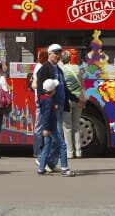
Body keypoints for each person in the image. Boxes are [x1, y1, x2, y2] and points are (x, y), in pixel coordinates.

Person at [36, 43, 75, 176]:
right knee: (58, 138)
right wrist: (47, 105)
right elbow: (41, 92)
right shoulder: (44, 69)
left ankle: (48, 163)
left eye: (59, 53)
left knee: (54, 138)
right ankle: (46, 161)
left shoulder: (58, 69)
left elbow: (64, 88)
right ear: (50, 53)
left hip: (59, 105)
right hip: (52, 107)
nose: (58, 56)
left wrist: (77, 99)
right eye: (56, 53)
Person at [60, 50, 87, 159]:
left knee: (67, 127)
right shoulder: (77, 68)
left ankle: (70, 153)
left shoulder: (61, 69)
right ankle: (79, 151)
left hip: (67, 99)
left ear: (61, 59)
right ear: (70, 58)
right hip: (79, 98)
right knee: (76, 125)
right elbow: (82, 84)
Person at [35, 78, 62, 175]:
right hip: (49, 127)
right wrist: (46, 128)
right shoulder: (49, 101)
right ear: (53, 90)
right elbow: (46, 115)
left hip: (48, 127)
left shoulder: (44, 98)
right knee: (60, 145)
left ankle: (42, 167)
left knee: (47, 146)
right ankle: (42, 166)